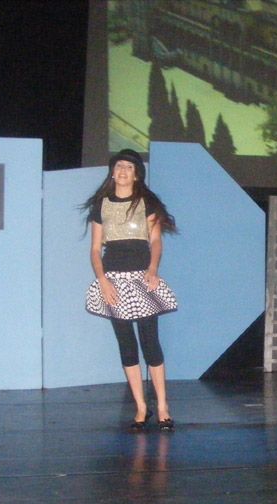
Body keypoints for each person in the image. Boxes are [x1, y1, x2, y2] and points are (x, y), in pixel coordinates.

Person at [82, 148, 178, 431]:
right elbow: (95, 249)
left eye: (129, 167)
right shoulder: (101, 205)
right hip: (113, 279)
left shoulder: (147, 203)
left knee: (150, 342)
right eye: (119, 166)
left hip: (142, 277)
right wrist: (103, 281)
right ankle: (141, 407)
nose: (123, 170)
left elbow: (156, 241)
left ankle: (163, 407)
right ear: (112, 172)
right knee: (126, 344)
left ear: (136, 175)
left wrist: (153, 269)